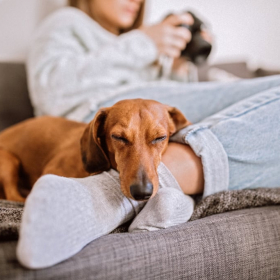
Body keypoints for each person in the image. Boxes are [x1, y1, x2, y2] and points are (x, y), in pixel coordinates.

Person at [18, 0, 280, 269]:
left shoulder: (135, 41)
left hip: (152, 118)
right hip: (98, 114)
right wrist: (143, 42)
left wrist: (178, 66)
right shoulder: (67, 22)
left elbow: (167, 115)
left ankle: (154, 186)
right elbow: (51, 92)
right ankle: (117, 193)